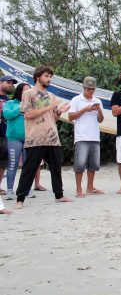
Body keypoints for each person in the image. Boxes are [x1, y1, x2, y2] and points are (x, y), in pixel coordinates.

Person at [15, 66, 73, 209]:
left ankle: (59, 195)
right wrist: (50, 107)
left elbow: (53, 118)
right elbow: (28, 114)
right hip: (35, 138)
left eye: (50, 77)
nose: (49, 79)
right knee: (29, 169)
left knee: (56, 168)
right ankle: (20, 199)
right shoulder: (28, 93)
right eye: (47, 76)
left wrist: (60, 111)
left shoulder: (51, 96)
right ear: (38, 76)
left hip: (52, 137)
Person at [3, 83, 44, 200]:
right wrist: (21, 106)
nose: (27, 92)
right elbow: (6, 115)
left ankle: (26, 189)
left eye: (29, 90)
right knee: (13, 164)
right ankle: (10, 190)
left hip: (30, 138)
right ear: (19, 91)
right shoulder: (10, 103)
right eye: (25, 90)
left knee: (29, 166)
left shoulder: (34, 105)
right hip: (14, 138)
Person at [68, 76, 104, 198]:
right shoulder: (76, 100)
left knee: (93, 164)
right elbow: (70, 117)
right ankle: (79, 188)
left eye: (92, 89)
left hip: (94, 136)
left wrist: (98, 110)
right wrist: (85, 109)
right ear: (83, 88)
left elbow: (101, 120)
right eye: (88, 89)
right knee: (80, 164)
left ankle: (90, 187)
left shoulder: (98, 100)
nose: (90, 91)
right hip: (81, 136)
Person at [0, 75, 17, 195]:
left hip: (5, 133)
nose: (11, 85)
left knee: (2, 162)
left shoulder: (9, 100)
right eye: (8, 82)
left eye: (12, 83)